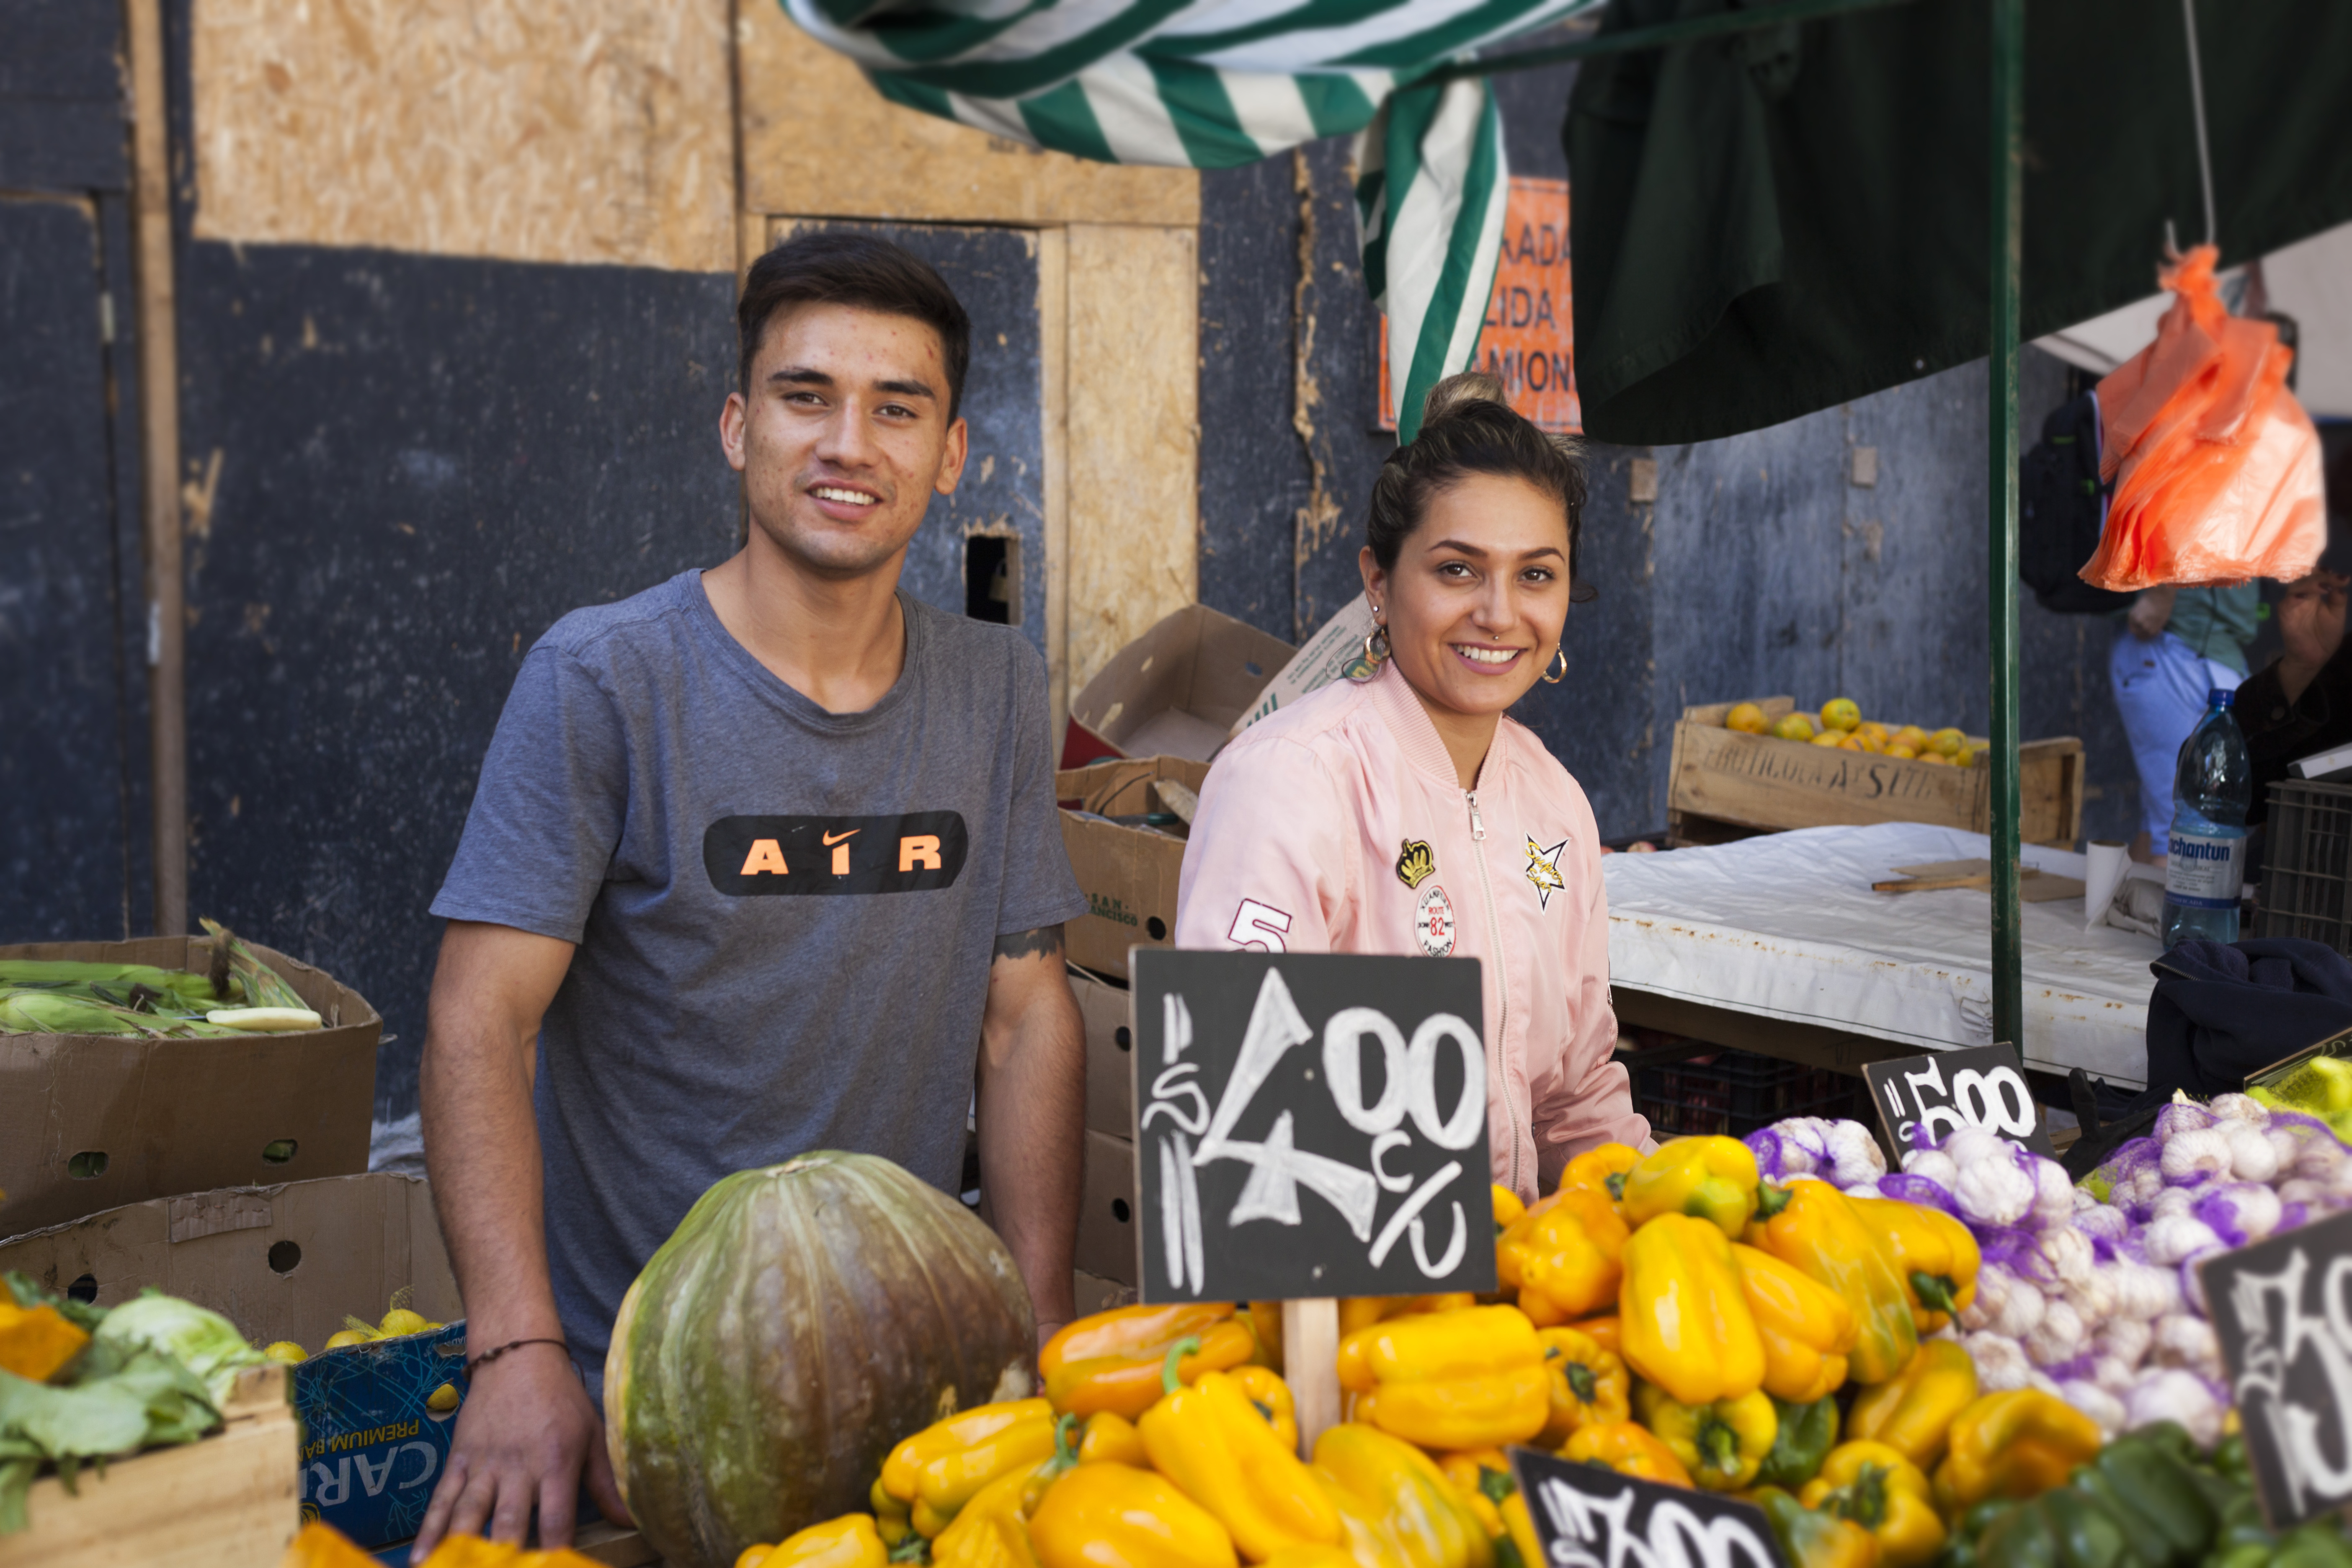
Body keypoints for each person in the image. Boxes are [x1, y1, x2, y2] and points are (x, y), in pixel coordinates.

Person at [411, 232, 1088, 1557]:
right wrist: (516, 1354)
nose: (850, 441)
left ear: (953, 455)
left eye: (898, 408)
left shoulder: (999, 689)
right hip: (651, 1407)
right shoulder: (603, 680)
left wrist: (1045, 1317)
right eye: (805, 396)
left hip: (921, 1381)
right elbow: (476, 1025)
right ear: (738, 426)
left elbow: (1026, 1018)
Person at [1173, 373, 1648, 1203]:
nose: (1500, 614)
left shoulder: (1554, 801)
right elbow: (1237, 1096)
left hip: (1517, 1289)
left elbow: (1575, 1097)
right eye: (1458, 570)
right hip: (1342, 1296)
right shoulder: (1291, 779)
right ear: (1380, 583)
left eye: (1537, 575)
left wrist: (1664, 1216)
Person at [2109, 581, 2262, 861]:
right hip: (2174, 645)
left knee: (2159, 821)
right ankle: (2171, 908)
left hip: (2217, 651)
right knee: (2180, 826)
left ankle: (2115, 903)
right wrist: (2161, 593)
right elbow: (2169, 534)